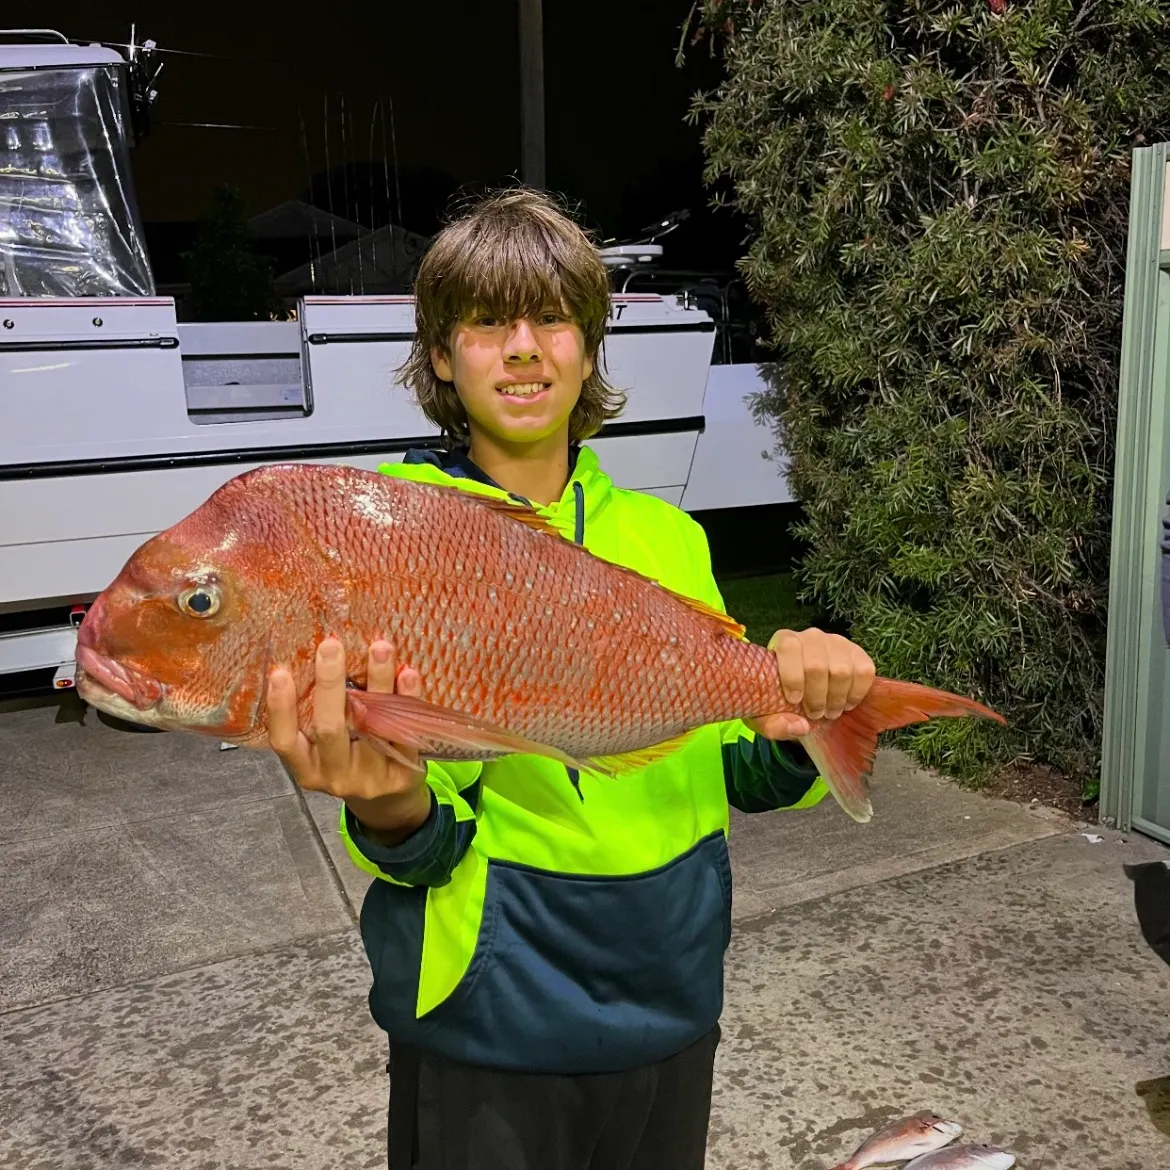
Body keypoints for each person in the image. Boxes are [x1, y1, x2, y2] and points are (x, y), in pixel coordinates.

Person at [265, 188, 877, 1169]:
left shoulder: (666, 538)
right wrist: (388, 808)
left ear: (589, 350)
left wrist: (810, 719)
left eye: (552, 320)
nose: (522, 349)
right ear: (440, 355)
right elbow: (423, 837)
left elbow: (736, 767)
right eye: (486, 322)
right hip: (491, 1021)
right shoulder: (392, 532)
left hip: (672, 1000)